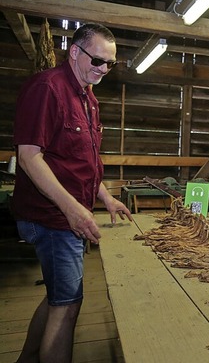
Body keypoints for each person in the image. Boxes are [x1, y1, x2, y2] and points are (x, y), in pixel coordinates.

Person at [12, 23, 133, 363]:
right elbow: (29, 155)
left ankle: (27, 358)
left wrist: (104, 196)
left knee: (59, 296)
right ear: (75, 52)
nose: (104, 69)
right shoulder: (47, 88)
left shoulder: (88, 98)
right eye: (97, 60)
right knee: (68, 304)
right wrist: (72, 209)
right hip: (51, 216)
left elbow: (81, 162)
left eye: (110, 64)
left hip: (66, 215)